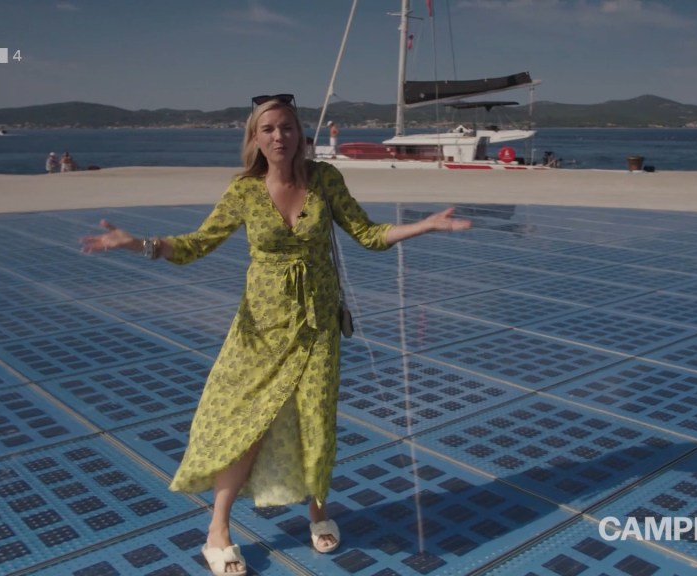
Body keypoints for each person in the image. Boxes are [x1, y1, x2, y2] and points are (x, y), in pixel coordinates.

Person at [80, 93, 470, 576]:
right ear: (255, 138)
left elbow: (368, 235)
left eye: (286, 127)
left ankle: (319, 511)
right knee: (247, 423)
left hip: (317, 327)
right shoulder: (244, 191)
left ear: (299, 133)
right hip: (260, 330)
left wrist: (425, 225)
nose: (279, 136)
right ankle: (217, 531)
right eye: (268, 129)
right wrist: (138, 244)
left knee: (316, 422)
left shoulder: (325, 179)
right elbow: (197, 245)